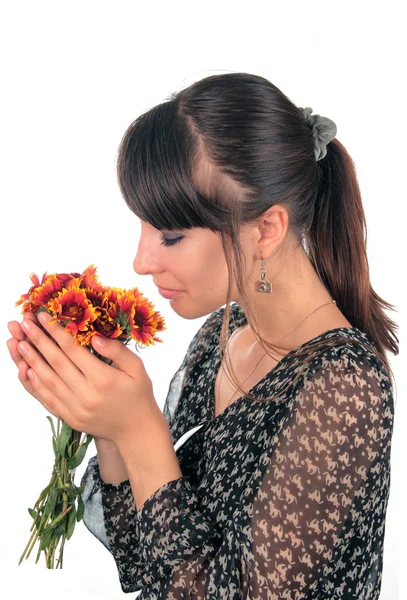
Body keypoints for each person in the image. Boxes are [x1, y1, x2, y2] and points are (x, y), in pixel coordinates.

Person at [7, 72, 397, 599]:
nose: (141, 261)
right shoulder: (223, 335)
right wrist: (106, 421)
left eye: (171, 236)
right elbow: (145, 563)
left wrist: (142, 429)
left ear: (266, 229)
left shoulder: (345, 384)